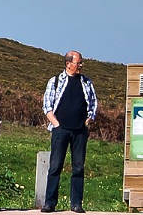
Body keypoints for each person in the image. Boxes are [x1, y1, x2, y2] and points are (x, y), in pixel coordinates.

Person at [41, 51, 97, 213]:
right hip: (61, 130)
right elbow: (47, 105)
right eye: (78, 62)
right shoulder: (56, 81)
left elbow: (93, 103)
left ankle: (76, 203)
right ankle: (49, 202)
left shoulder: (86, 82)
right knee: (55, 166)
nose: (81, 65)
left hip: (80, 131)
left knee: (78, 167)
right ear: (68, 64)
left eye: (81, 62)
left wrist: (88, 120)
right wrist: (56, 124)